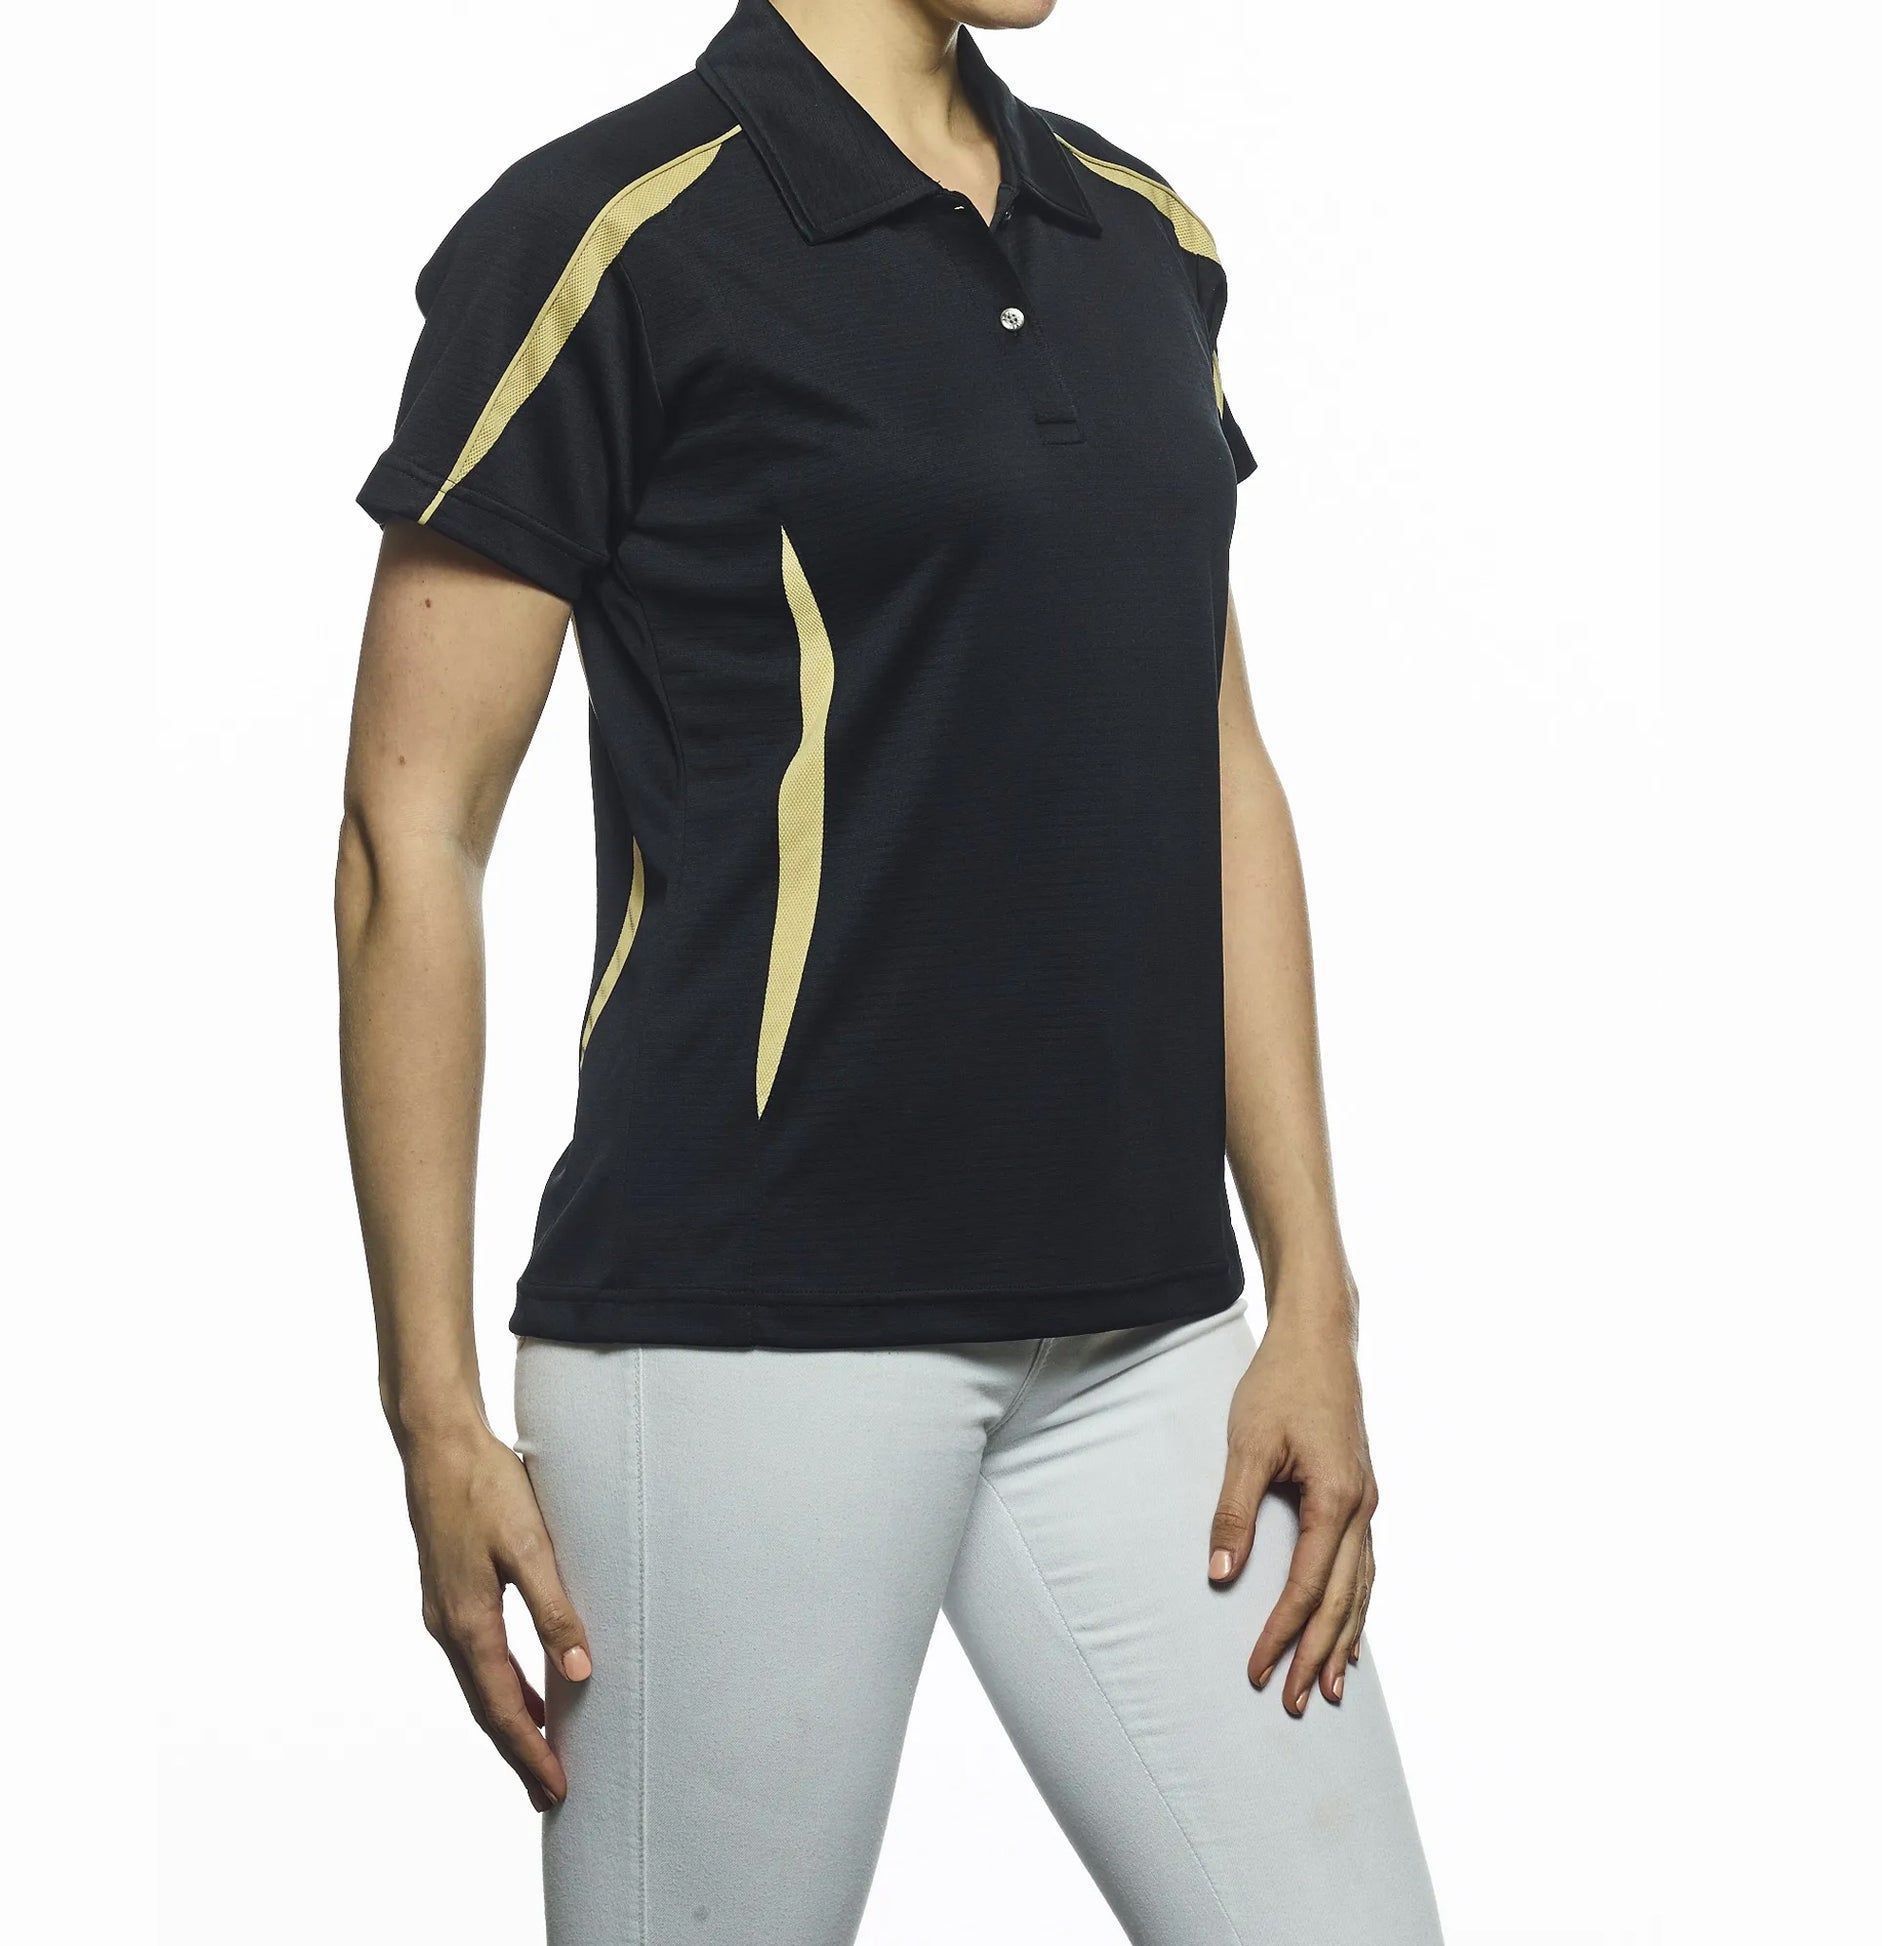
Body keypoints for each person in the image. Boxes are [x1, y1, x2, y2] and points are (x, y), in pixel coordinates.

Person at [336, 0, 1443, 1938]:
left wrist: (1312, 1295)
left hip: (1146, 1339)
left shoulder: (1139, 237)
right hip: (743, 1340)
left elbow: (1219, 762)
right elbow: (406, 835)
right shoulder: (609, 233)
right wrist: (430, 1407)